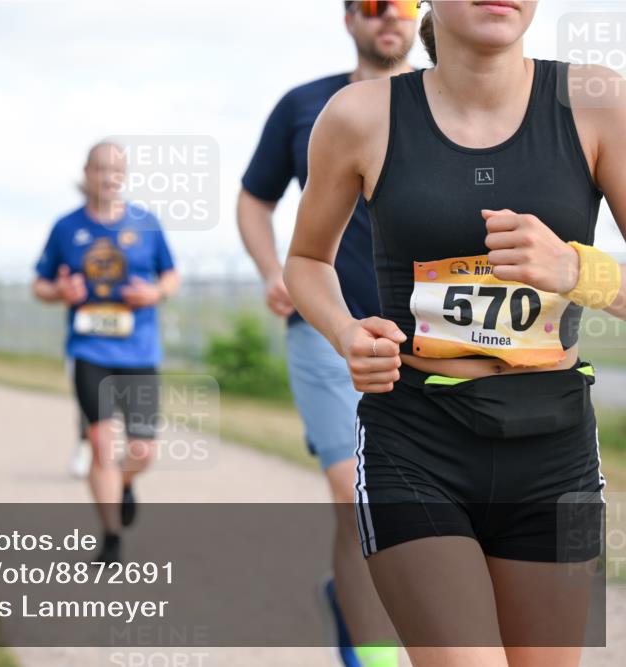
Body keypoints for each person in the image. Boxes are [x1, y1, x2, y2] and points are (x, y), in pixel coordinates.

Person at [285, 1, 624, 665]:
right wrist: (345, 330)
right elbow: (305, 261)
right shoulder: (361, 115)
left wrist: (576, 269)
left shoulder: (597, 99)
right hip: (416, 443)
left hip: (556, 454)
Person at [238, 2, 417, 665]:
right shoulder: (303, 106)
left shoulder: (441, 102)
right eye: (373, 5)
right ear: (349, 19)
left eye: (403, 5)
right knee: (355, 493)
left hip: (425, 334)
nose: (389, 17)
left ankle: (353, 595)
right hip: (324, 327)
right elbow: (255, 198)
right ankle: (371, 656)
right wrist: (269, 270)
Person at [33, 141, 180, 563]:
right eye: (101, 169)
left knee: (141, 451)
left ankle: (125, 484)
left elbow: (171, 276)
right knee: (100, 443)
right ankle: (112, 535)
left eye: (118, 170)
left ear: (126, 175)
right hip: (89, 349)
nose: (109, 177)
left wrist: (154, 292)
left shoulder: (146, 223)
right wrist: (59, 291)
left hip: (139, 350)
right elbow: (39, 284)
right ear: (86, 172)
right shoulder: (66, 228)